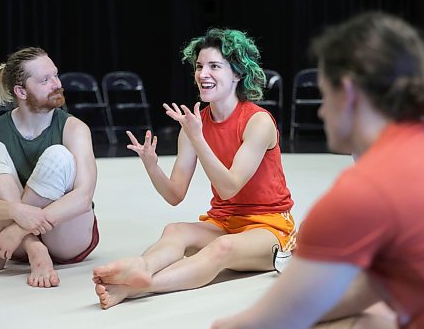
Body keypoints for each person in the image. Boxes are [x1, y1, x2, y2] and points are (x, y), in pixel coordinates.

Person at [211, 12, 424, 329]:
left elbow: (274, 319)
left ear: (347, 93)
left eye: (324, 94)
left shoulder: (365, 190)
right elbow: (378, 286)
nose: (320, 110)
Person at [92, 28, 296, 309]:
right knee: (175, 230)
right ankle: (141, 268)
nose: (203, 74)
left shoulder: (258, 122)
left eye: (214, 66)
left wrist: (198, 136)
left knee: (222, 248)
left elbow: (229, 187)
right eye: (199, 66)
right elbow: (175, 194)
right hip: (224, 222)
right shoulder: (193, 124)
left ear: (237, 73)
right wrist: (152, 166)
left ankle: (139, 286)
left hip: (269, 227)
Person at [0, 47, 99, 288]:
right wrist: (16, 213)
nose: (57, 84)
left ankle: (0, 250)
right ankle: (35, 249)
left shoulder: (75, 128)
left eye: (56, 75)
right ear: (21, 91)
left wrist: (16, 229)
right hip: (14, 246)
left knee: (57, 155)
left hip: (63, 236)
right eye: (45, 80)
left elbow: (83, 197)